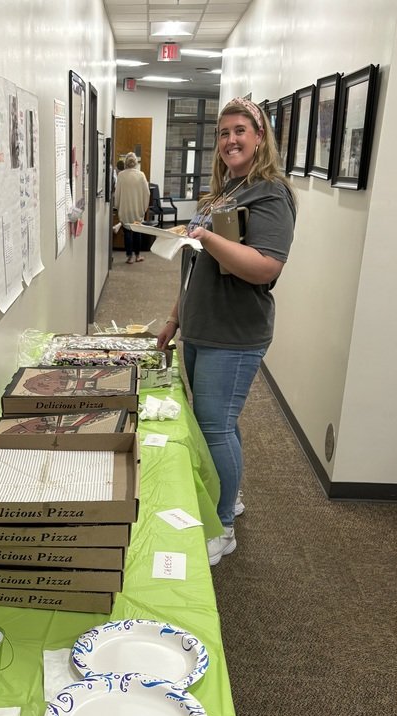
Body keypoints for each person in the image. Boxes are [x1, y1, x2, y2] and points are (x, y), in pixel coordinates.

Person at [156, 97, 296, 566]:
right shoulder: (222, 194)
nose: (230, 140)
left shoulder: (270, 194)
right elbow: (196, 271)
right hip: (202, 327)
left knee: (215, 426)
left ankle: (223, 526)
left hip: (234, 333)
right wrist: (176, 318)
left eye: (240, 130)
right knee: (218, 422)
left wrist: (206, 236)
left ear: (260, 137)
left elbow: (264, 267)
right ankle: (229, 494)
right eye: (223, 133)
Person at [113, 153, 150, 264]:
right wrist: (144, 207)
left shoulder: (121, 175)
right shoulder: (141, 175)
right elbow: (147, 193)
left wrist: (118, 206)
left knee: (127, 233)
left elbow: (117, 193)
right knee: (137, 232)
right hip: (137, 208)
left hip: (125, 208)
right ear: (136, 163)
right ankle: (138, 255)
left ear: (126, 163)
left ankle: (129, 257)